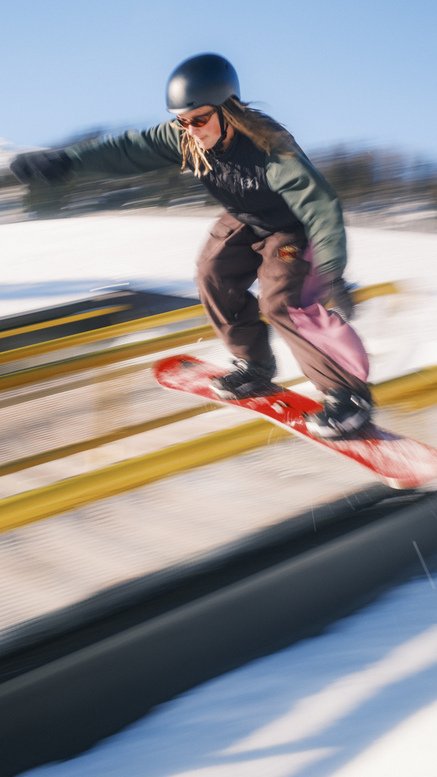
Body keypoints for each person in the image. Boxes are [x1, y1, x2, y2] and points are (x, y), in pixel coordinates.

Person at [10, 52, 372, 438]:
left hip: (291, 228)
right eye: (182, 121)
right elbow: (127, 150)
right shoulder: (184, 137)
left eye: (199, 119)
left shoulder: (269, 147)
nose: (191, 130)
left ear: (228, 109)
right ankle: (255, 365)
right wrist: (66, 161)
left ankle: (348, 393)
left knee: (281, 302)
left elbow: (318, 203)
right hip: (246, 217)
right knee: (212, 274)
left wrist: (332, 271)